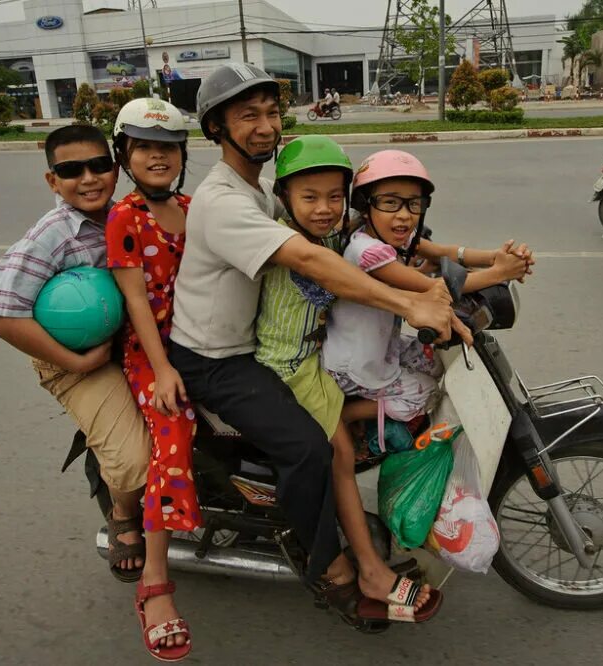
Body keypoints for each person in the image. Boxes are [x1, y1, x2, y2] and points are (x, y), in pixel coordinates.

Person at [165, 64, 459, 618]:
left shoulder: (262, 190)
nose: (264, 126)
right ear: (215, 128)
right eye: (247, 115)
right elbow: (307, 257)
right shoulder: (222, 201)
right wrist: (408, 303)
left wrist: (436, 257)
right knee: (311, 449)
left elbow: (343, 228)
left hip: (258, 346)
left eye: (272, 113)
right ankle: (339, 570)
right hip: (216, 360)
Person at [256, 136, 447, 623]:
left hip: (316, 358)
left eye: (335, 197)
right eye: (310, 197)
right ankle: (369, 570)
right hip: (289, 367)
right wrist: (423, 294)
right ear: (284, 199)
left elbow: (398, 249)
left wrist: (450, 259)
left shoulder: (334, 235)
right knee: (338, 451)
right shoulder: (290, 242)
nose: (324, 208)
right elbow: (362, 278)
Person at [0, 125, 151, 583]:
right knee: (136, 461)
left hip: (136, 342)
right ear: (52, 180)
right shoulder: (50, 236)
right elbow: (2, 315)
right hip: (77, 359)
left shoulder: (128, 216)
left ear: (115, 169)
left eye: (99, 165)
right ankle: (123, 514)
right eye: (70, 170)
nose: (89, 178)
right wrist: (76, 362)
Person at [321, 149, 532, 434]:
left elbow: (442, 252)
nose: (404, 215)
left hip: (381, 347)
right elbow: (435, 288)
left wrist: (496, 257)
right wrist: (499, 273)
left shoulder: (389, 235)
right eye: (390, 203)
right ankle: (345, 417)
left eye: (413, 204)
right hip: (355, 364)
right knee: (426, 391)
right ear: (365, 205)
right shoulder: (366, 251)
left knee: (437, 362)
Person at [106, 98, 197, 661]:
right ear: (125, 155)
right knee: (173, 432)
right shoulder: (126, 217)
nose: (157, 157)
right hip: (152, 351)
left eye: (167, 147)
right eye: (144, 147)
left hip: (205, 342)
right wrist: (162, 368)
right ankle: (156, 584)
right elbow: (136, 299)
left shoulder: (194, 206)